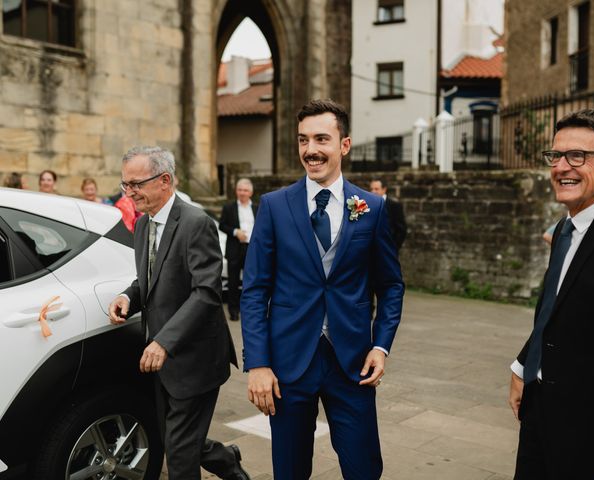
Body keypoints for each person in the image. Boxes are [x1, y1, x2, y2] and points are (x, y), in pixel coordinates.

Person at [241, 99, 404, 479]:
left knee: (364, 468)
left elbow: (391, 285)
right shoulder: (274, 206)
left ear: (344, 145)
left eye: (321, 139)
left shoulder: (372, 208)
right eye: (303, 140)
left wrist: (380, 346)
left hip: (352, 364)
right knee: (290, 470)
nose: (310, 150)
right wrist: (259, 363)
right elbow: (254, 290)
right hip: (288, 365)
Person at [508, 109, 594, 479]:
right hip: (540, 414)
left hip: (590, 436)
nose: (562, 167)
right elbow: (556, 310)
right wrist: (523, 366)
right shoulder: (565, 230)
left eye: (577, 156)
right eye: (556, 156)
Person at [107, 146, 249, 480]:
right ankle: (228, 461)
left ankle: (226, 462)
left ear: (165, 180)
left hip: (195, 357)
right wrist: (129, 297)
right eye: (125, 184)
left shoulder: (196, 222)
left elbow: (206, 292)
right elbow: (152, 280)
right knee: (178, 439)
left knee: (181, 456)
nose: (128, 193)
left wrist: (165, 342)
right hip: (161, 359)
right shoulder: (143, 226)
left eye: (135, 184)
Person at [219, 178, 257, 321]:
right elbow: (222, 225)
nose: (242, 193)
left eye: (245, 190)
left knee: (251, 282)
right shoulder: (228, 207)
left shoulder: (257, 208)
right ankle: (233, 311)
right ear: (236, 191)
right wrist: (235, 232)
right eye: (240, 190)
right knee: (233, 283)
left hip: (252, 250)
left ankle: (249, 309)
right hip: (235, 249)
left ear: (251, 192)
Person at [370, 178, 407, 250]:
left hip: (388, 248)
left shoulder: (394, 205)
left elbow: (401, 230)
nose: (373, 192)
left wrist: (394, 248)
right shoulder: (368, 204)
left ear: (384, 189)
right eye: (371, 189)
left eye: (376, 189)